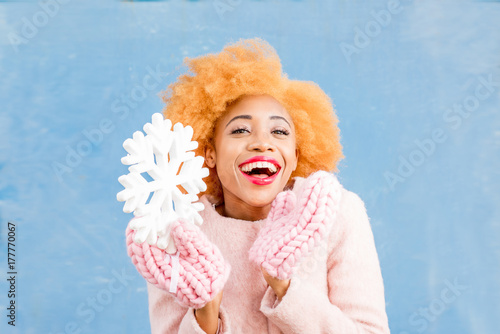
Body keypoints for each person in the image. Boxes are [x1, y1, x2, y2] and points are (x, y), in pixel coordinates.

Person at [125, 38, 390, 334]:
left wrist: (286, 287)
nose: (262, 142)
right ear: (209, 152)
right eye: (240, 129)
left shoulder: (337, 213)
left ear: (295, 155)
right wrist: (205, 309)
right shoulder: (176, 232)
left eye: (279, 131)